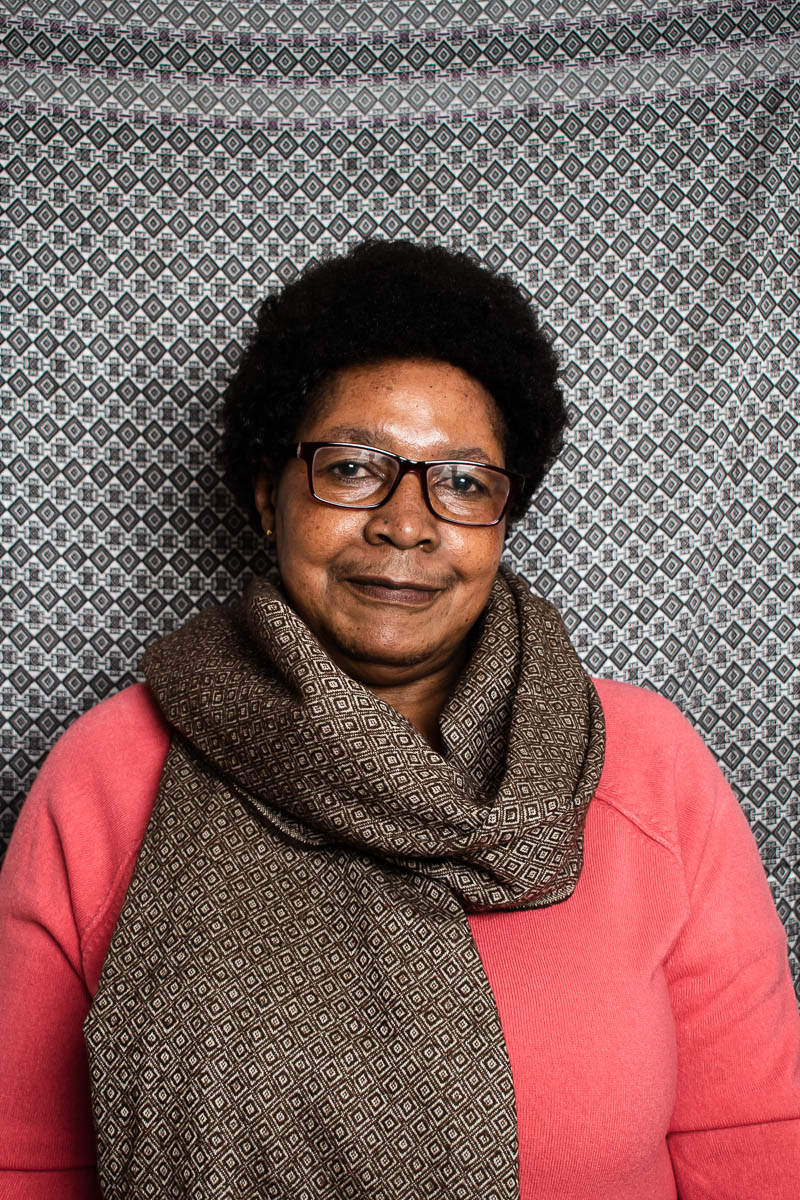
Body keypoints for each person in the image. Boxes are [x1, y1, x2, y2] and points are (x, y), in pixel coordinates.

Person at [1, 239, 798, 1200]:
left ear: (505, 517)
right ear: (268, 493)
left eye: (463, 482)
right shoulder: (110, 773)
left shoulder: (649, 766)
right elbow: (28, 1164)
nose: (406, 523)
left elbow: (753, 1147)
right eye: (351, 468)